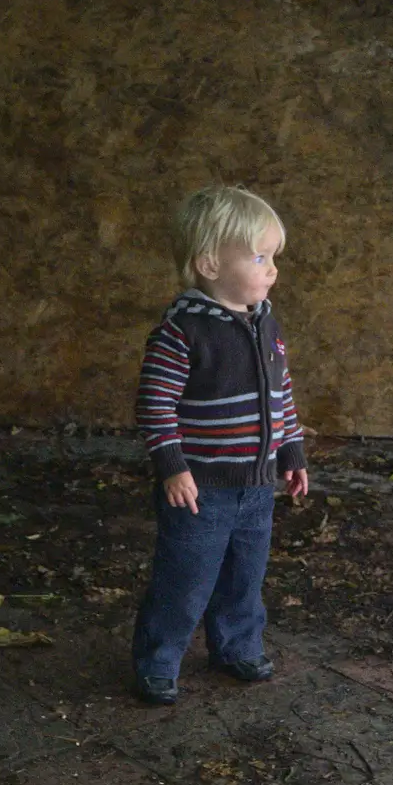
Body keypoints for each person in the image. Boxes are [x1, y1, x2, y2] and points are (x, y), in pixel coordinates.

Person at [130, 185, 310, 706]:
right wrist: (172, 465)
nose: (272, 268)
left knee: (244, 576)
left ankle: (236, 646)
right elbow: (155, 405)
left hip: (256, 487)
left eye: (274, 256)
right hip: (199, 489)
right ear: (209, 264)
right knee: (185, 580)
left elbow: (282, 396)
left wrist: (291, 453)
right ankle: (158, 661)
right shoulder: (181, 332)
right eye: (259, 257)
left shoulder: (266, 324)